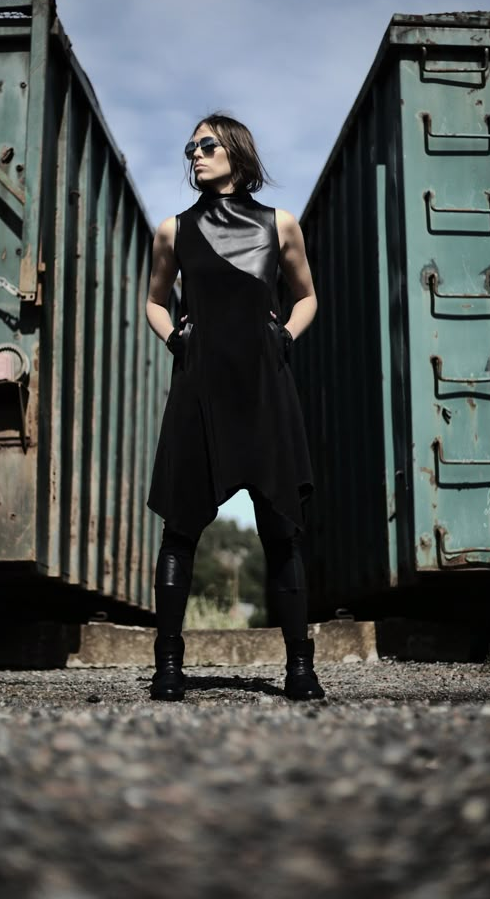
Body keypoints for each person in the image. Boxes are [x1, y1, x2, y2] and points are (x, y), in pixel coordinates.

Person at [145, 113, 324, 702]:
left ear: (236, 154)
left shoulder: (281, 225)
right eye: (190, 147)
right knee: (180, 531)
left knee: (281, 531)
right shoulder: (172, 230)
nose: (195, 154)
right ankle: (167, 669)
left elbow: (306, 297)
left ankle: (301, 669)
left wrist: (287, 337)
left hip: (265, 390)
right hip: (199, 391)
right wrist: (176, 339)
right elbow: (154, 301)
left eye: (206, 145)